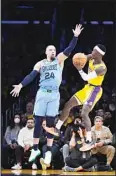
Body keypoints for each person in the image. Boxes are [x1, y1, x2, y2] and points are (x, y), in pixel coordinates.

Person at [10, 24, 83, 167]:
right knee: (37, 120)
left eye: (54, 49)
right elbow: (31, 76)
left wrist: (75, 37)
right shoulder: (40, 63)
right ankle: (36, 149)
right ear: (46, 52)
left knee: (50, 123)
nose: (53, 51)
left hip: (54, 94)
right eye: (50, 49)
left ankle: (48, 150)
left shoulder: (59, 60)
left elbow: (69, 49)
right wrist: (20, 85)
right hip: (42, 92)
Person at [45, 44, 107, 151]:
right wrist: (78, 59)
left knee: (84, 113)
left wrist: (79, 69)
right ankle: (57, 128)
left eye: (94, 51)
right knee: (68, 105)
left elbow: (86, 77)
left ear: (99, 54)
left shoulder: (102, 68)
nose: (92, 52)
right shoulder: (91, 57)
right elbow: (81, 58)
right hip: (87, 88)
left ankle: (88, 140)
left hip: (95, 90)